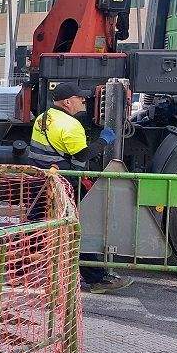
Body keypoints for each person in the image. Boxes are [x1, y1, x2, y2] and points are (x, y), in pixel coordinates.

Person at [28, 81, 130, 293]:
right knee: (74, 230)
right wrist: (104, 140)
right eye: (79, 97)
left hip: (41, 181)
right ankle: (96, 278)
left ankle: (15, 269)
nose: (83, 100)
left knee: (35, 227)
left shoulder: (43, 118)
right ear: (67, 102)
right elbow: (82, 155)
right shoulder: (70, 125)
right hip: (62, 184)